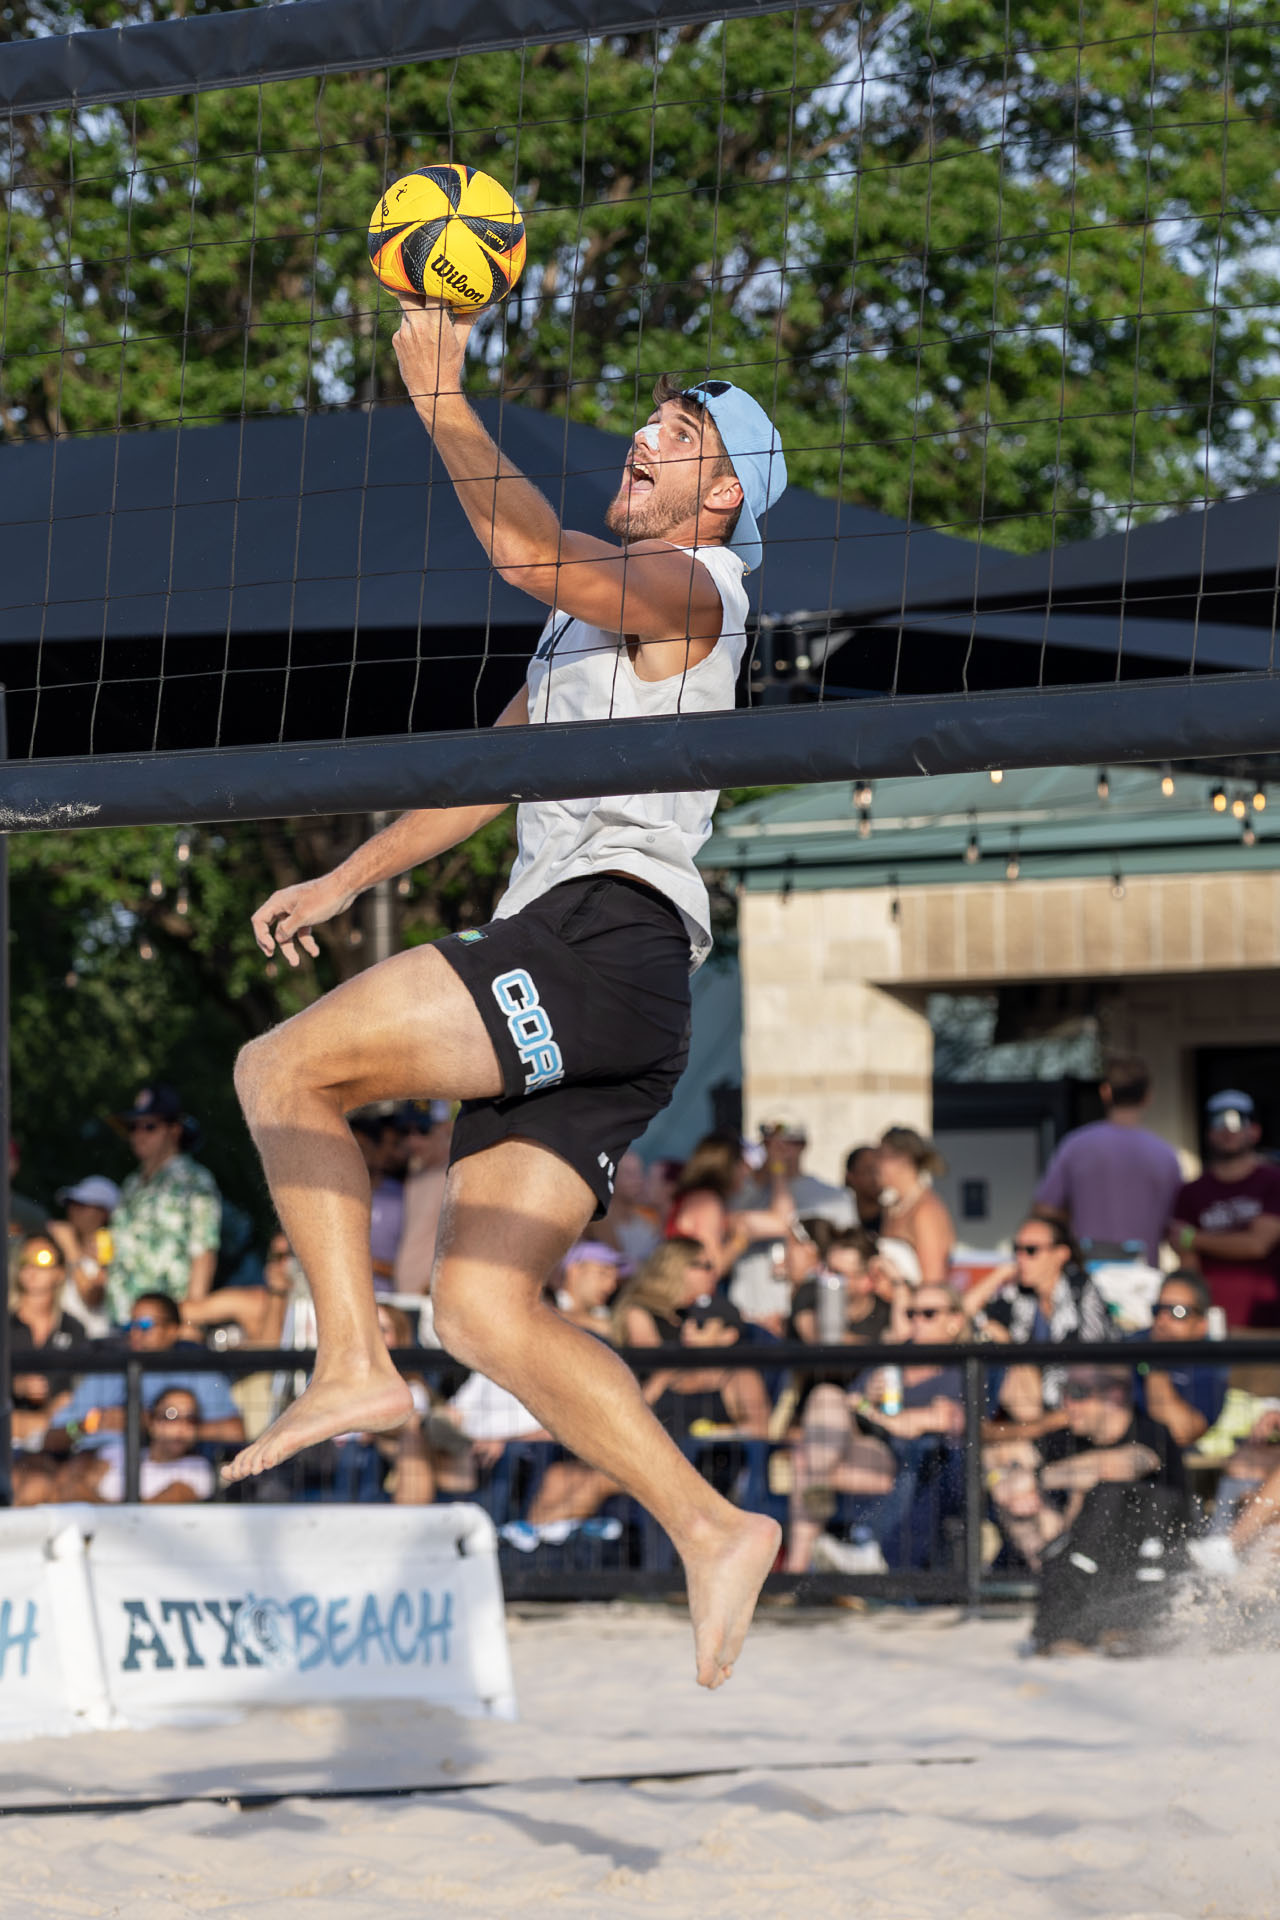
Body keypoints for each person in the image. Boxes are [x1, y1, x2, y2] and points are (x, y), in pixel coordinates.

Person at [222, 317, 789, 1686]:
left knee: (278, 1072)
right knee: (480, 1309)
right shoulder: (585, 625)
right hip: (616, 985)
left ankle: (350, 1363)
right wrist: (346, 877)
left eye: (678, 433)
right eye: (649, 417)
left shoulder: (699, 586)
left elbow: (528, 550)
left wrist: (440, 394)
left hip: (600, 940)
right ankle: (714, 1528)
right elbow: (488, 775)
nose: (642, 435)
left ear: (721, 496)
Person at [1029, 1365, 1188, 1653]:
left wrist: (1057, 1476)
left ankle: (1121, 1628)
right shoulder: (1064, 1438)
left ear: (1114, 1394)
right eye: (1064, 1391)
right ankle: (1069, 1629)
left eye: (1077, 1393)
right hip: (1090, 1562)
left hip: (1147, 1565)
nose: (1067, 1403)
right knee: (1035, 1503)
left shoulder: (1150, 1430)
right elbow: (1018, 1478)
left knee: (1112, 1496)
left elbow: (1125, 1465)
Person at [47, 1292, 245, 1455]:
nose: (135, 1333)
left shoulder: (197, 1370)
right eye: (130, 1326)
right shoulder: (108, 1371)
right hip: (99, 1464)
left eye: (145, 1325)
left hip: (175, 1468)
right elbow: (53, 1437)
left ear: (172, 1330)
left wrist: (158, 1425)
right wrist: (87, 1425)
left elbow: (235, 1432)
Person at [1033, 1053, 1182, 1266]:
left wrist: (1076, 1220)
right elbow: (1175, 1226)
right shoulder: (1165, 1155)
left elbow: (1044, 1209)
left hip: (1088, 1268)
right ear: (1148, 1097)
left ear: (1106, 1092)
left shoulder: (1076, 1146)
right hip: (1142, 1273)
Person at [107, 1084, 221, 1322]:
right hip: (121, 1320)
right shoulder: (131, 1183)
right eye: (133, 1127)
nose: (139, 1134)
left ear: (174, 1130)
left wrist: (190, 1322)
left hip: (166, 1325)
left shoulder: (195, 1181)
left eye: (150, 1126)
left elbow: (204, 1252)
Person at [1170, 1090, 1280, 1329]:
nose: (1228, 1131)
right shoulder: (1190, 1192)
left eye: (1237, 1123)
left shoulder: (1274, 1181)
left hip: (1270, 1322)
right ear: (1208, 1132)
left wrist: (1195, 1238)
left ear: (1255, 1131)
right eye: (1218, 1123)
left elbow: (1257, 1244)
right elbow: (1187, 1261)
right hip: (1211, 1322)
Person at [667, 1132, 793, 1282]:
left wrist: (776, 1163)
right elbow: (711, 1267)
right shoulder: (707, 1203)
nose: (747, 1171)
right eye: (742, 1163)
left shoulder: (696, 1198)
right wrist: (739, 1240)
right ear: (728, 1167)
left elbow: (783, 1222)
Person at [73, 1386, 216, 1506]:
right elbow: (76, 1490)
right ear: (152, 1422)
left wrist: (100, 1507)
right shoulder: (116, 1453)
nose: (181, 1426)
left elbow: (154, 1509)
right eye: (171, 1415)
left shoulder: (197, 1468)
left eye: (191, 1418)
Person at [1133, 1270, 1228, 1449]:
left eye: (1178, 1312)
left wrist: (1153, 1363)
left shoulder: (1210, 1367)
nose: (1163, 1319)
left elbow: (1179, 1432)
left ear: (1201, 1325)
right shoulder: (1133, 1344)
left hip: (1169, 1459)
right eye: (1158, 1310)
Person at [8, 1236, 80, 1452]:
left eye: (42, 1259)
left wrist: (53, 1413)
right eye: (24, 1261)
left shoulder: (73, 1329)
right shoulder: (5, 1324)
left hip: (56, 1442)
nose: (31, 1269)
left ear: (60, 1272)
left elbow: (77, 1393)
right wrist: (15, 1385)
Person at [877, 1127, 955, 1283]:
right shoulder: (892, 1208)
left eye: (881, 1157)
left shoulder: (925, 1211)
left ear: (902, 1160)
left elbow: (934, 1279)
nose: (875, 1165)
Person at [45, 1175, 120, 1338]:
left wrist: (71, 1250)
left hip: (94, 1342)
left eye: (82, 1205)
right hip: (61, 1340)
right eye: (71, 1204)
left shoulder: (114, 1247)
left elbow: (92, 1298)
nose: (74, 1210)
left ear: (103, 1213)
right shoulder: (60, 1247)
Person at [608, 1237, 716, 1346]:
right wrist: (702, 1349)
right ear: (678, 1267)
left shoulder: (685, 1313)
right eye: (707, 1266)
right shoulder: (638, 1313)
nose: (713, 1272)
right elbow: (650, 1356)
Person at [597, 1150, 662, 1266]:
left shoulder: (649, 1224)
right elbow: (618, 1264)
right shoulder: (599, 1220)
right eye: (628, 1173)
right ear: (610, 1178)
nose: (637, 1179)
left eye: (639, 1172)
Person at [553, 1240, 626, 1332]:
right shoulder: (547, 1302)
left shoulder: (605, 1315)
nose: (611, 1286)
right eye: (603, 1273)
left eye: (615, 1279)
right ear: (574, 1271)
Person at [843, 1145, 884, 1235]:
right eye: (869, 1170)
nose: (876, 1177)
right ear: (850, 1176)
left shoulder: (892, 1221)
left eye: (879, 1171)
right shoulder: (837, 1219)